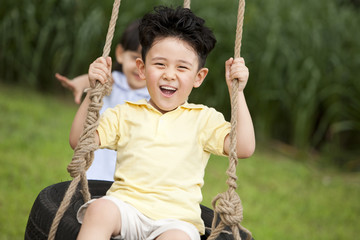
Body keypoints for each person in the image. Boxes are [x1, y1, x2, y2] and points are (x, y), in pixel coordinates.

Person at [70, 6, 255, 240]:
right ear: (142, 69)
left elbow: (244, 147)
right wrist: (93, 89)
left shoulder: (204, 119)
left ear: (199, 77)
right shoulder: (125, 113)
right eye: (159, 64)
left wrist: (237, 92)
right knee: (99, 209)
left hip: (176, 221)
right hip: (125, 207)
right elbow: (79, 141)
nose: (169, 74)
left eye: (182, 67)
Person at [56, 19, 150, 181]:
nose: (138, 68)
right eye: (134, 58)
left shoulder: (154, 95)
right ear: (120, 54)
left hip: (131, 171)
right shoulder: (113, 81)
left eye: (146, 63)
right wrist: (78, 83)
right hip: (100, 157)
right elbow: (94, 79)